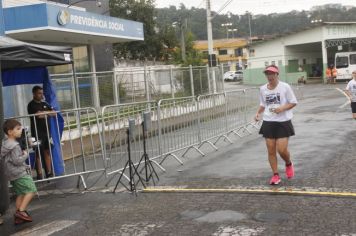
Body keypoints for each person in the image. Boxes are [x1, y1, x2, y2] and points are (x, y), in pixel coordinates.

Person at [254, 65, 298, 185]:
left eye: (272, 74)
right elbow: (263, 104)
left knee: (282, 150)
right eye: (267, 74)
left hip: (283, 122)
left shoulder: (285, 87)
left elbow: (293, 102)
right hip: (268, 121)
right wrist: (258, 113)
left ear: (277, 74)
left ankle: (288, 163)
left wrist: (282, 108)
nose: (269, 76)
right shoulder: (263, 89)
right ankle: (275, 175)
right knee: (271, 150)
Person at [1, 119, 37, 225]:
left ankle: (18, 217)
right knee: (31, 190)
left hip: (11, 174)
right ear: (10, 132)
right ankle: (21, 212)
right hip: (18, 173)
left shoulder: (6, 143)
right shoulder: (15, 145)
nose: (21, 130)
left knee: (21, 194)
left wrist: (25, 164)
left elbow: (9, 159)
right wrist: (25, 154)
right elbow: (17, 161)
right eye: (18, 128)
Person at [27, 86, 55, 179]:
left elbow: (54, 113)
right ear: (34, 94)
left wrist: (44, 112)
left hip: (47, 132)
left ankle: (49, 172)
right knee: (38, 153)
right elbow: (38, 115)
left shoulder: (45, 103)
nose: (41, 95)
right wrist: (46, 113)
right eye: (39, 93)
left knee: (47, 151)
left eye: (42, 93)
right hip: (36, 133)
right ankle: (39, 174)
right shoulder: (31, 105)